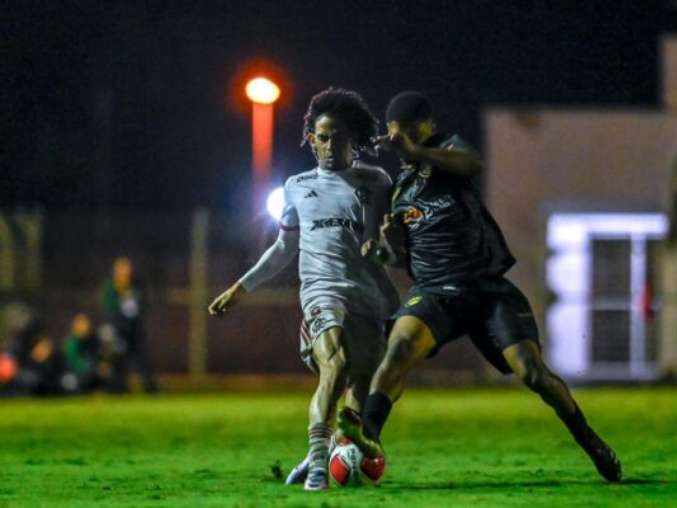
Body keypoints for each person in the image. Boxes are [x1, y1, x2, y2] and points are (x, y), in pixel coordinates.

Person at [340, 91, 622, 482]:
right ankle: (367, 438)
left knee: (533, 373)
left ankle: (589, 439)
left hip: (486, 290)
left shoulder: (448, 152)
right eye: (396, 135)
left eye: (409, 132)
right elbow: (407, 260)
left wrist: (419, 152)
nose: (402, 140)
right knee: (400, 347)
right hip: (435, 292)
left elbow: (472, 164)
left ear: (428, 127)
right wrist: (388, 247)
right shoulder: (399, 191)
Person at [208, 88, 399, 491]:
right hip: (320, 292)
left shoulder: (377, 181)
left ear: (354, 137)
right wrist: (239, 288)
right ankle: (317, 468)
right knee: (337, 362)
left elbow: (389, 245)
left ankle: (331, 453)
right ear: (310, 138)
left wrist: (381, 248)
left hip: (369, 297)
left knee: (358, 391)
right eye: (322, 137)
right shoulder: (297, 186)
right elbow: (282, 249)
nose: (330, 146)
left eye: (339, 137)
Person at [100, 257, 158, 393]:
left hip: (135, 330)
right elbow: (107, 308)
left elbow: (144, 304)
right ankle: (118, 391)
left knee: (143, 361)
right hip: (119, 330)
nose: (124, 271)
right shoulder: (110, 287)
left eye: (126, 268)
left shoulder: (136, 285)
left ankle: (151, 391)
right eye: (121, 268)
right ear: (115, 270)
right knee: (118, 363)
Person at [61, 313, 107, 394]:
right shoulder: (71, 343)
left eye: (84, 323)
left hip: (92, 373)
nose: (82, 327)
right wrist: (92, 368)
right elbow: (74, 363)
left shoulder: (94, 340)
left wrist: (101, 365)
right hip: (75, 374)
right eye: (80, 324)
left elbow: (99, 356)